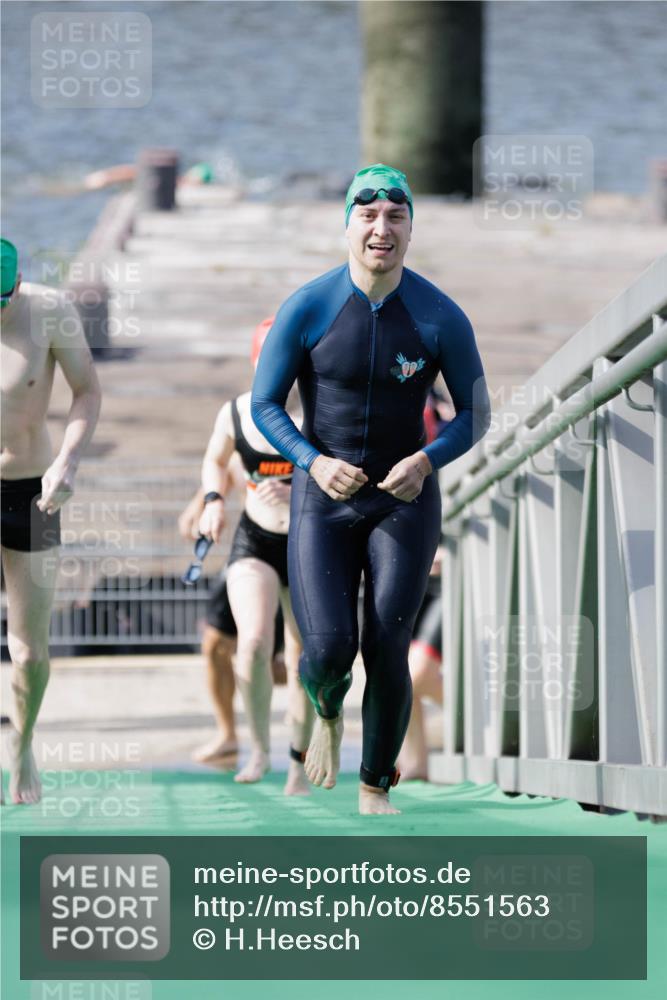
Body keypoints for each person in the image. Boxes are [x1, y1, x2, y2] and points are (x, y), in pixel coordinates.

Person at [251, 164, 491, 815]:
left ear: (410, 228)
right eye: (368, 215)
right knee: (329, 649)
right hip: (321, 498)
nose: (381, 228)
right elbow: (265, 404)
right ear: (347, 225)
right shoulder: (309, 306)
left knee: (388, 644)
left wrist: (426, 460)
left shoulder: (439, 315)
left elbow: (476, 414)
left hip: (403, 499)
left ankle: (374, 785)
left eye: (395, 216)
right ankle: (326, 710)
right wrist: (311, 461)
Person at [0, 238, 101, 804]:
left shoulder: (49, 310)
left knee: (30, 652)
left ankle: (22, 742)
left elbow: (87, 390)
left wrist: (68, 460)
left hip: (32, 496)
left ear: (15, 286)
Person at [199, 318, 314, 794]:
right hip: (256, 539)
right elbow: (214, 459)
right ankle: (259, 748)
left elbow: (350, 473)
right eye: (270, 362)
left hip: (308, 542)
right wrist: (212, 501)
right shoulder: (236, 412)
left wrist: (300, 492)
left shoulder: (319, 412)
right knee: (251, 643)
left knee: (306, 657)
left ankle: (299, 761)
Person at [177, 456, 287, 768]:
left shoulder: (302, 435)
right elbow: (225, 467)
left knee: (284, 663)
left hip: (298, 551)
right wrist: (201, 505)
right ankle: (227, 734)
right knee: (215, 644)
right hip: (252, 554)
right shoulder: (240, 443)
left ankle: (310, 722)